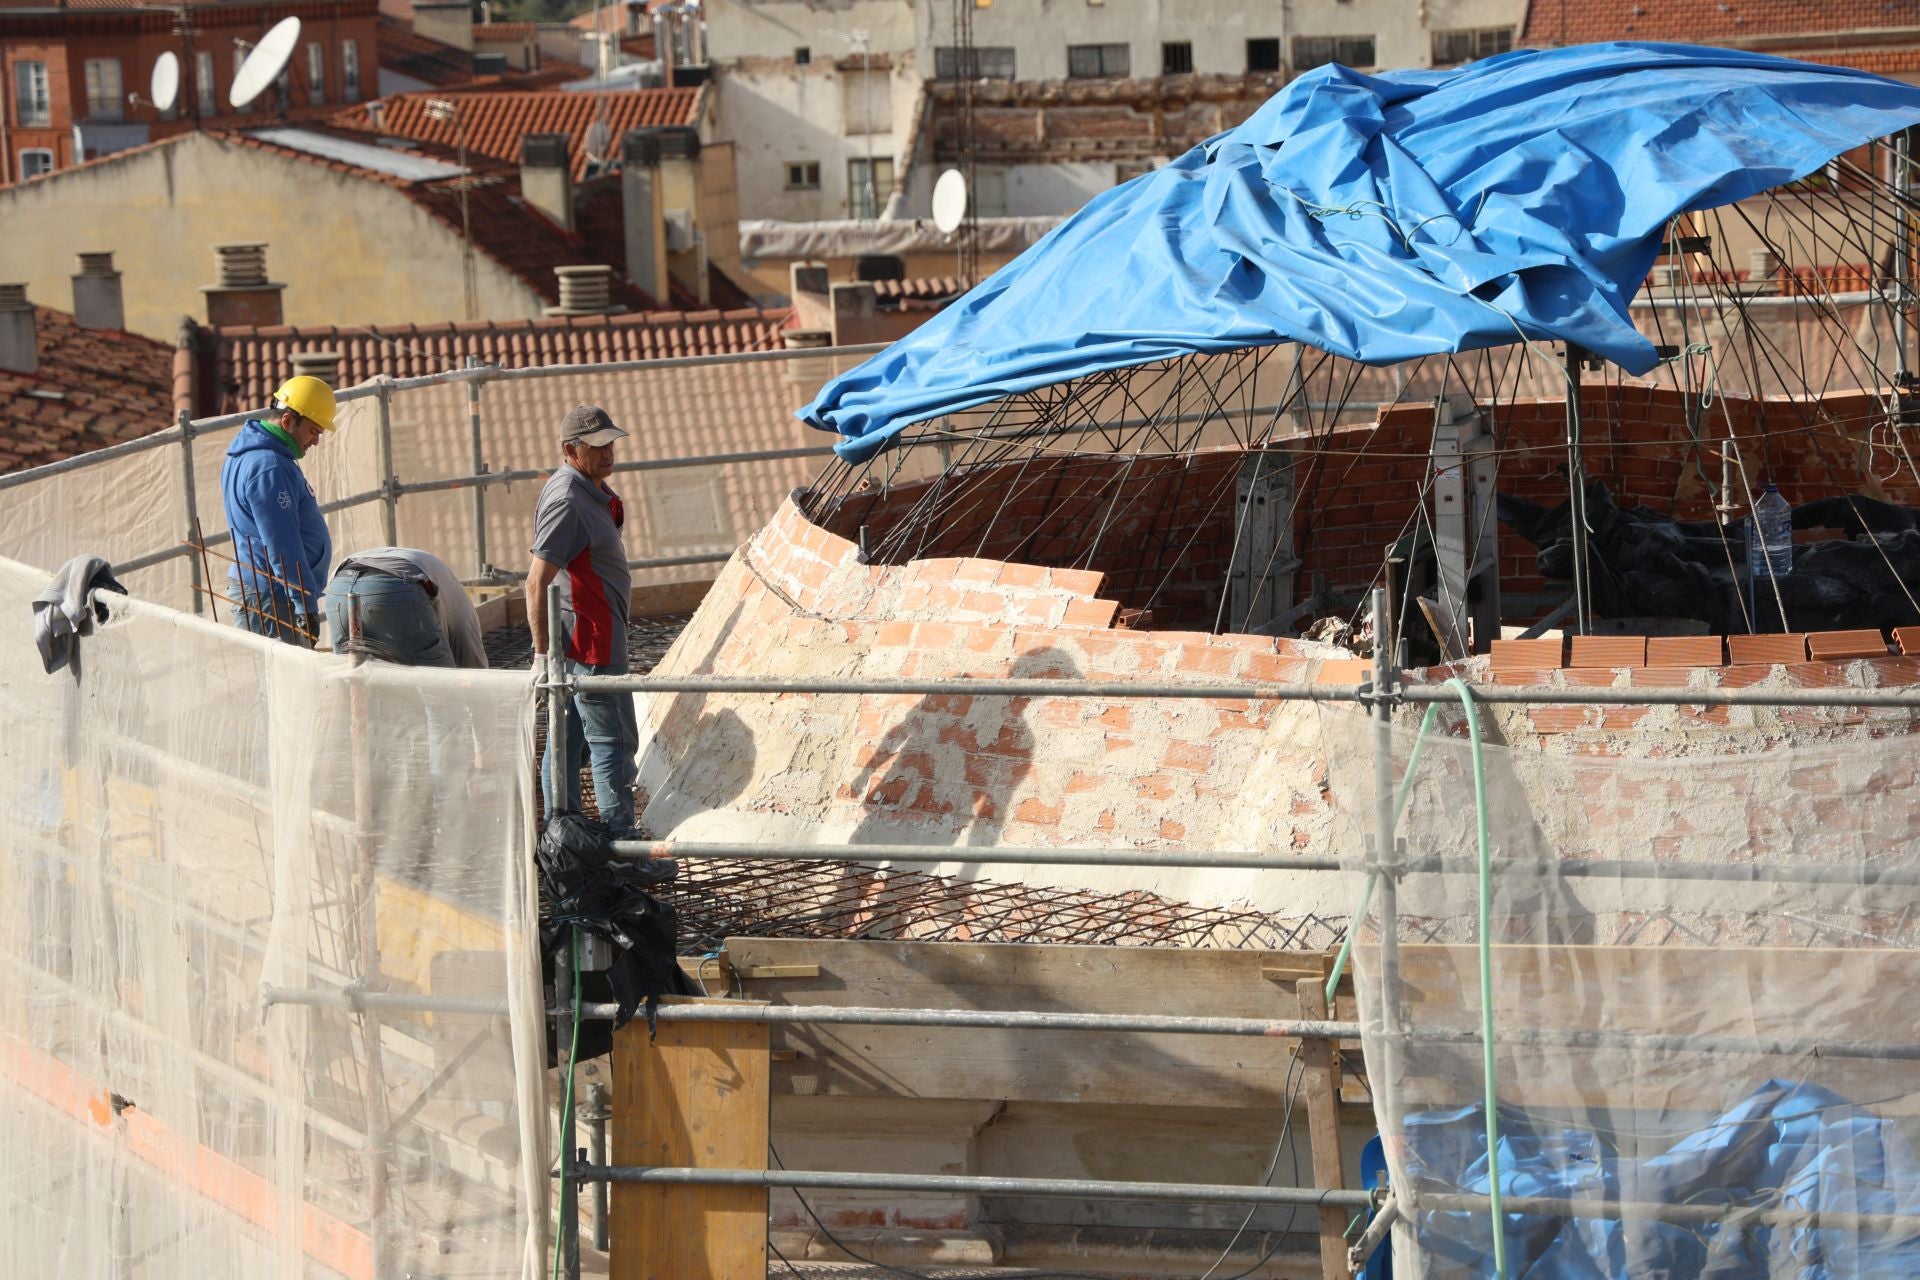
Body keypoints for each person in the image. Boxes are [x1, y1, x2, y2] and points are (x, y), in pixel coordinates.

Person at [527, 405, 638, 832]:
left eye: (610, 442)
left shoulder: (587, 490)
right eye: (596, 446)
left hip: (589, 639)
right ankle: (619, 843)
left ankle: (563, 834)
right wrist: (541, 657)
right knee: (613, 741)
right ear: (570, 450)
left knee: (568, 743)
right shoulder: (568, 499)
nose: (608, 452)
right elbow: (537, 582)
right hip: (593, 643)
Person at [221, 374, 334, 645]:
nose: (315, 441)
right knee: (291, 686)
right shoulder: (269, 467)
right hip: (273, 600)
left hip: (268, 595)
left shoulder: (250, 456)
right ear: (287, 421)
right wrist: (304, 604)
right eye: (313, 431)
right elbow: (283, 545)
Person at [323, 547, 489, 670]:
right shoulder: (463, 612)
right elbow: (474, 665)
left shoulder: (445, 583)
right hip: (393, 585)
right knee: (441, 690)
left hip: (338, 587)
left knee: (350, 679)